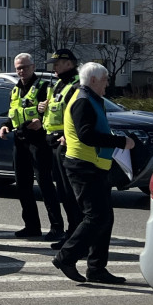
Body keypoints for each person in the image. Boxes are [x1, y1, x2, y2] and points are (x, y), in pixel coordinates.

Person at [53, 62, 135, 284]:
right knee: (96, 216)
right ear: (94, 80)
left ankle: (97, 269)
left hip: (95, 166)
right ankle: (66, 257)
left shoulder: (90, 98)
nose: (108, 83)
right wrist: (120, 142)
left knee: (104, 217)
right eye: (106, 79)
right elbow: (86, 135)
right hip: (83, 167)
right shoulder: (83, 100)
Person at [0, 53, 63, 240]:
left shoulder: (43, 87)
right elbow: (14, 115)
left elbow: (52, 111)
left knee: (45, 185)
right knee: (22, 186)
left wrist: (41, 121)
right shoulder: (15, 90)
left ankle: (57, 227)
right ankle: (32, 226)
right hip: (20, 141)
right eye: (18, 67)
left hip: (39, 142)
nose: (21, 71)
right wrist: (5, 126)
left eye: (24, 67)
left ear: (33, 67)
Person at [41, 49, 83, 250]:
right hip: (53, 142)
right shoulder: (58, 84)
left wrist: (68, 135)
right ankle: (72, 233)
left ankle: (77, 237)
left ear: (69, 63)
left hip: (65, 143)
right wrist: (43, 108)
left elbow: (77, 114)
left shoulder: (76, 85)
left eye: (57, 64)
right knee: (64, 193)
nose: (54, 67)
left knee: (70, 193)